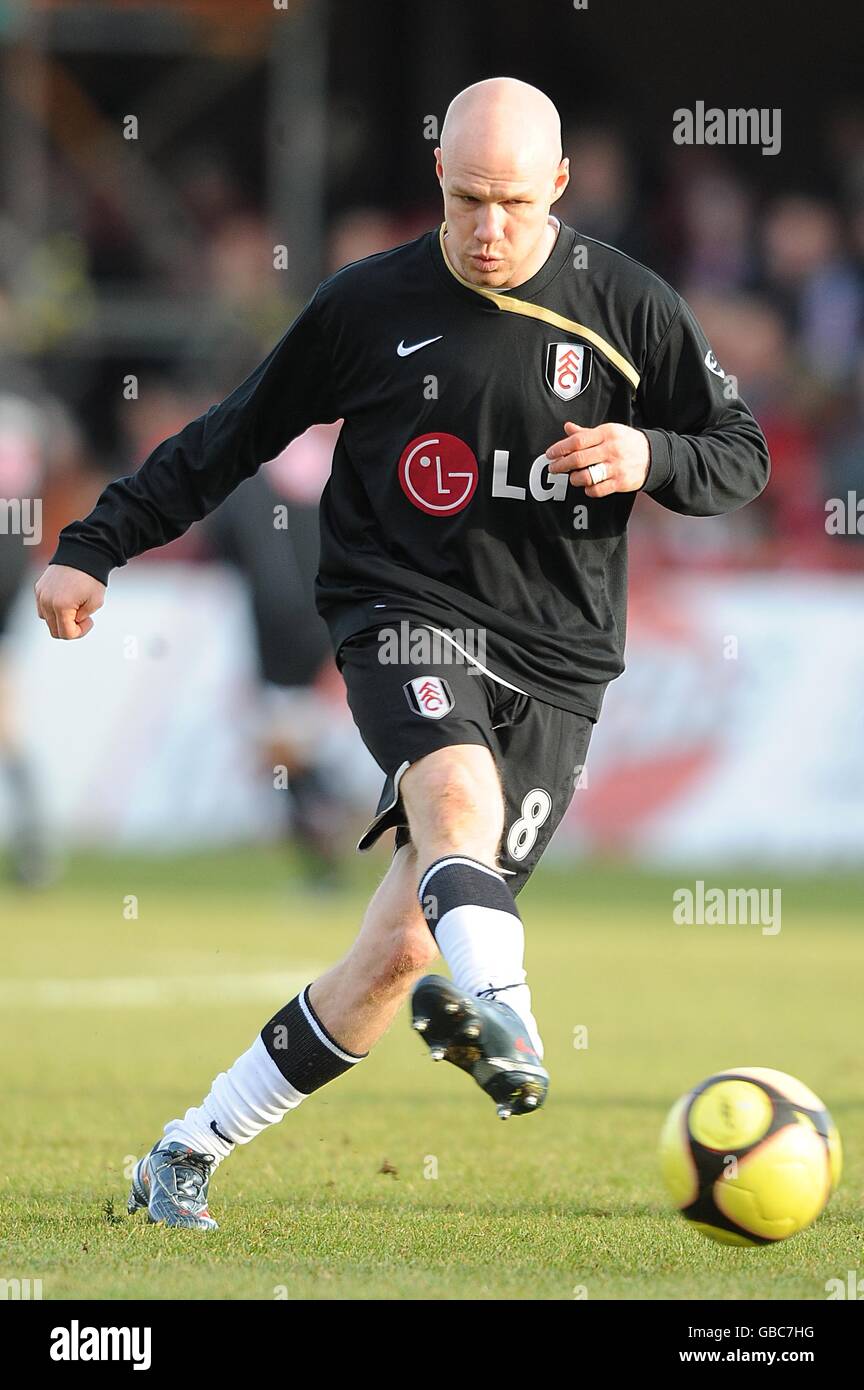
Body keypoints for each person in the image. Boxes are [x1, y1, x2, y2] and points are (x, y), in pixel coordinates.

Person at [34, 78, 769, 1230]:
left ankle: (184, 1150)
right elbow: (232, 436)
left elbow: (742, 453)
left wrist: (648, 455)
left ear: (561, 189)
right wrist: (94, 543)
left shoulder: (630, 307)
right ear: (439, 177)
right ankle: (511, 1014)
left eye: (515, 204)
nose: (489, 229)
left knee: (394, 956)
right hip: (398, 604)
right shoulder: (368, 304)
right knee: (454, 790)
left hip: (564, 662)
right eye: (469, 198)